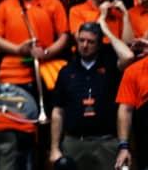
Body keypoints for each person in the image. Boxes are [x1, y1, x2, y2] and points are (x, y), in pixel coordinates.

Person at [50, 21, 132, 170]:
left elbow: (128, 56)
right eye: (81, 40)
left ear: (99, 44)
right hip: (74, 142)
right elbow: (58, 111)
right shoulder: (66, 71)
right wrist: (55, 148)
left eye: (91, 42)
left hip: (106, 143)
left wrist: (106, 30)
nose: (85, 45)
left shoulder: (110, 66)